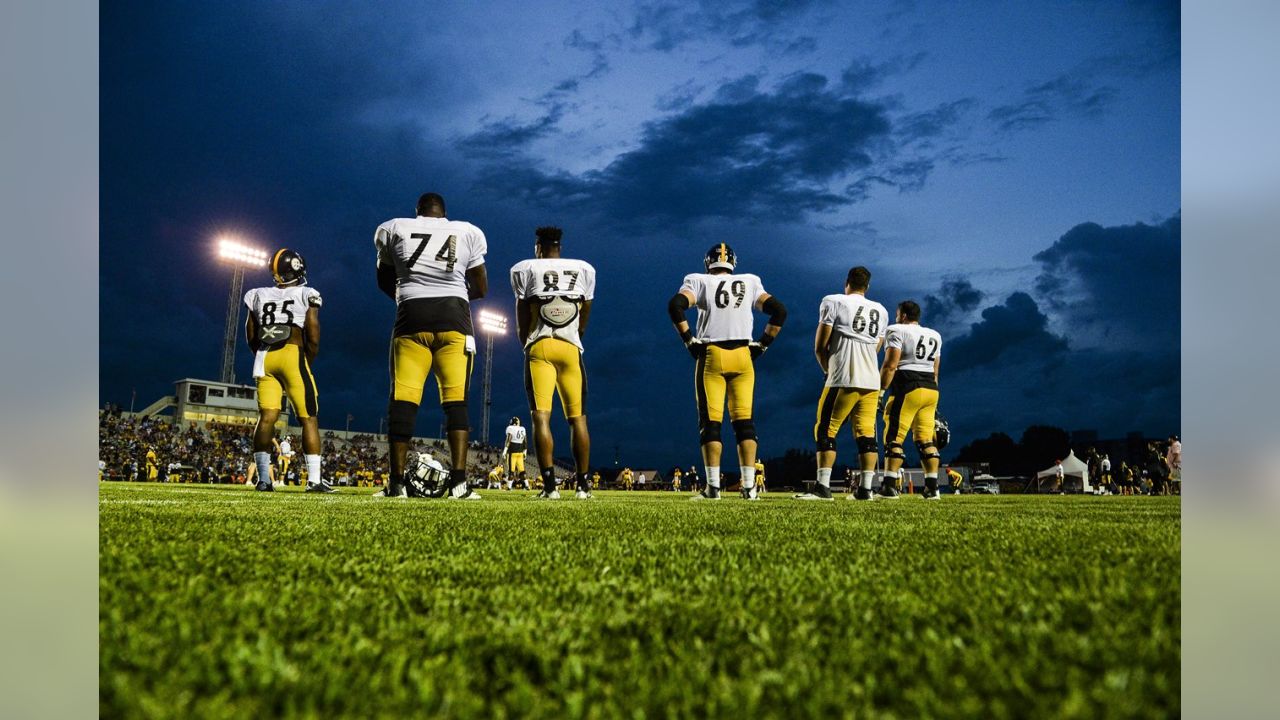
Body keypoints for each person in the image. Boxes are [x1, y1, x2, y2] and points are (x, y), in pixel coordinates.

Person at [373, 192, 487, 500]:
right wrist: (453, 294)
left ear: (418, 212)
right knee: (456, 401)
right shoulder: (467, 231)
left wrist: (409, 294)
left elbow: (384, 280)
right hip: (454, 320)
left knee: (403, 399)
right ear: (444, 213)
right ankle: (460, 484)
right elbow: (481, 286)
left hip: (410, 319)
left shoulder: (393, 228)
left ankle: (396, 484)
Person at [669, 243, 787, 501]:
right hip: (744, 356)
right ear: (733, 262)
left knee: (710, 424)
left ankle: (712, 489)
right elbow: (779, 311)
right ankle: (750, 488)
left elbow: (675, 306)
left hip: (712, 354)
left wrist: (689, 340)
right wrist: (763, 346)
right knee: (744, 423)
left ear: (707, 263)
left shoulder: (698, 281)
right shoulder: (750, 281)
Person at [510, 226, 596, 499]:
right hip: (571, 349)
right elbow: (585, 314)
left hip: (541, 347)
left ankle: (550, 487)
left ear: (538, 246)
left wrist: (528, 342)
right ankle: (583, 486)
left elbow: (522, 316)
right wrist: (575, 337)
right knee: (578, 419)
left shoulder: (526, 268)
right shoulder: (583, 269)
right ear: (560, 245)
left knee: (541, 418)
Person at [243, 249, 331, 493]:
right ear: (298, 267)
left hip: (264, 356)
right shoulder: (307, 293)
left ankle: (263, 480)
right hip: (293, 353)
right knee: (308, 417)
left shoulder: (256, 294)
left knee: (267, 417)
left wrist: (262, 354)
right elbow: (312, 333)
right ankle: (314, 480)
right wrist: (306, 360)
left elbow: (250, 334)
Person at [797, 267, 887, 502]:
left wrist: (829, 370)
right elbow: (877, 346)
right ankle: (866, 489)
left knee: (826, 429)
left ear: (847, 282)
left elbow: (820, 346)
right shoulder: (881, 310)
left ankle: (823, 487)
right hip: (871, 380)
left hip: (843, 375)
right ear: (867, 286)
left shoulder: (833, 301)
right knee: (867, 434)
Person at [878, 300, 943, 500]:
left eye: (897, 314)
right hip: (931, 390)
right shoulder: (935, 335)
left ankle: (889, 486)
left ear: (903, 315)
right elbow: (935, 370)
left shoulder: (896, 330)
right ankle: (932, 488)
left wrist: (880, 391)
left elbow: (890, 365)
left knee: (893, 438)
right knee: (925, 439)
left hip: (907, 387)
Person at [503, 417, 530, 490]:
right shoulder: (522, 429)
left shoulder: (510, 428)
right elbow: (525, 441)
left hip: (512, 452)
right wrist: (525, 452)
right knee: (522, 471)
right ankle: (527, 486)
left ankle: (509, 487)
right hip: (520, 452)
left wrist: (505, 451)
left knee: (511, 471)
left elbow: (508, 440)